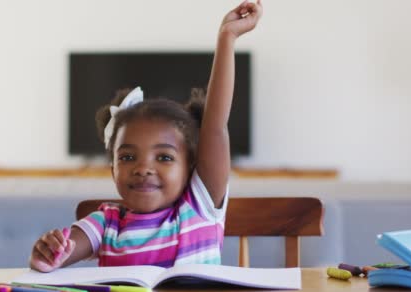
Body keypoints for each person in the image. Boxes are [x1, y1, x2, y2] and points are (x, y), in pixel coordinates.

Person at [30, 0, 263, 272]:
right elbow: (61, 254)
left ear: (190, 166)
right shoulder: (103, 223)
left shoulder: (200, 205)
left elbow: (215, 126)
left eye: (164, 156)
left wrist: (227, 37)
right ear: (113, 168)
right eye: (128, 156)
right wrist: (48, 253)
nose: (143, 168)